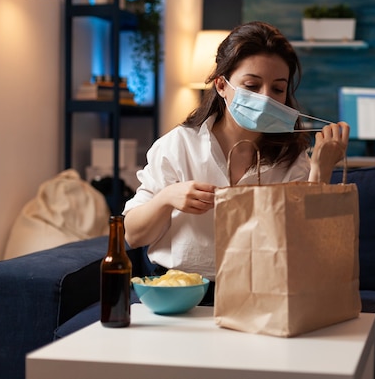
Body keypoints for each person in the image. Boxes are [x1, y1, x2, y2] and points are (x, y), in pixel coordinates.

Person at [123, 21, 350, 304]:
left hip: (262, 297)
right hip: (181, 297)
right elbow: (132, 234)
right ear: (221, 85)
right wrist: (167, 198)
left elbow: (309, 247)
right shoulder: (178, 146)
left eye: (277, 89)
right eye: (252, 85)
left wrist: (320, 169)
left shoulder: (291, 158)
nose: (265, 98)